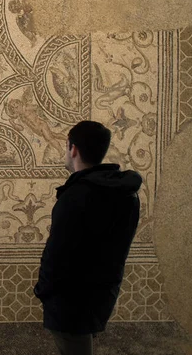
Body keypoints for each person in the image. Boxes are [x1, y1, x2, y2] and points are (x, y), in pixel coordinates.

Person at [34, 121, 142, 355]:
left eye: (66, 147)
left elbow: (57, 255)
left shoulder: (76, 196)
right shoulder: (125, 194)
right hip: (99, 298)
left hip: (69, 304)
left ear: (73, 149)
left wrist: (42, 291)